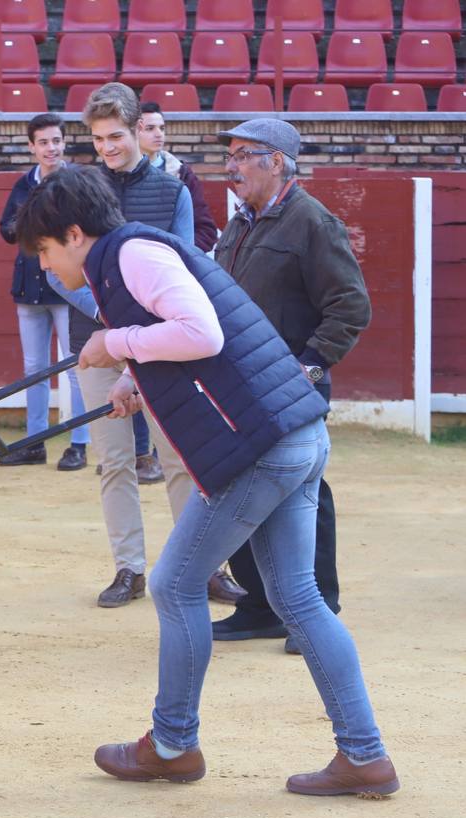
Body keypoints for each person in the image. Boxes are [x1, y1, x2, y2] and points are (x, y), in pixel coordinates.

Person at [15, 164, 398, 798]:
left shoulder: (131, 256)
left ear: (75, 234)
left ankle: (171, 744)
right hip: (292, 432)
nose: (48, 267)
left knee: (174, 584)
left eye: (47, 252)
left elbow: (201, 332)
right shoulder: (131, 253)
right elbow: (197, 335)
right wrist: (134, 375)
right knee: (298, 598)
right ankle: (365, 755)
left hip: (262, 445)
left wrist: (116, 342)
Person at [58, 83, 243, 609]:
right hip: (96, 341)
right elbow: (56, 272)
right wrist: (109, 320)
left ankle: (203, 566)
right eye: (98, 139)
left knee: (181, 455)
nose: (108, 147)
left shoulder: (174, 190)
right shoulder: (77, 190)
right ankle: (128, 568)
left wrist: (134, 331)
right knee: (114, 460)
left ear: (140, 129)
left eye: (116, 135)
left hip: (164, 343)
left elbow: (187, 266)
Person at [211, 119, 373, 654]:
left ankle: (318, 609)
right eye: (230, 156)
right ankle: (260, 606)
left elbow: (351, 306)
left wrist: (310, 366)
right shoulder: (241, 224)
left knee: (306, 495)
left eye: (241, 155)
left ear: (275, 161)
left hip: (291, 386)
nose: (230, 166)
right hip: (241, 386)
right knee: (244, 487)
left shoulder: (312, 222)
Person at [0, 113, 89, 471]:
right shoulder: (25, 183)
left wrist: (31, 224)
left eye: (56, 141)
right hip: (30, 286)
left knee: (73, 367)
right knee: (34, 367)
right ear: (32, 147)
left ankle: (78, 442)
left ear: (63, 143)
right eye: (44, 142)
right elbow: (7, 230)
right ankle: (35, 442)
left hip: (67, 286)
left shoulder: (74, 182)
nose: (51, 148)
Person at [137, 101, 219, 254]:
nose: (158, 134)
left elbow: (206, 231)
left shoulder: (183, 174)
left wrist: (180, 256)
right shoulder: (117, 175)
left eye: (161, 128)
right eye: (150, 128)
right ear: (134, 131)